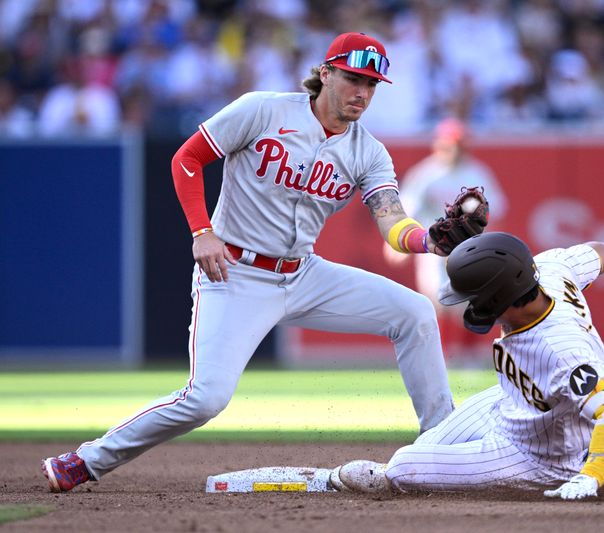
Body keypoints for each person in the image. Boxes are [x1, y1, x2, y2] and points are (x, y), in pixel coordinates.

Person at [41, 32, 456, 493]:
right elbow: (187, 159)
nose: (362, 92)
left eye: (372, 84)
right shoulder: (264, 109)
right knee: (205, 400)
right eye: (353, 78)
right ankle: (85, 460)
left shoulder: (368, 151)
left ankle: (441, 448)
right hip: (233, 273)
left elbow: (391, 219)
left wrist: (428, 240)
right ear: (325, 74)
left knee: (415, 312)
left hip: (303, 272)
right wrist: (202, 232)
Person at [329, 232, 604, 500]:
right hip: (511, 402)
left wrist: (591, 475)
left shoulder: (562, 351)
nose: (468, 303)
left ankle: (570, 467)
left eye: (473, 296)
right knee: (428, 443)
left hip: (541, 454)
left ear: (498, 297)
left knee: (401, 468)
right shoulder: (549, 271)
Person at [387, 118, 507, 357]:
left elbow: (496, 212)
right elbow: (406, 212)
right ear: (439, 145)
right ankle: (439, 356)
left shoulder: (477, 173)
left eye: (459, 144)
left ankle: (469, 358)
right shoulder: (427, 175)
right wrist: (394, 245)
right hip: (435, 247)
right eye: (451, 144)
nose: (455, 150)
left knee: (471, 301)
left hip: (470, 246)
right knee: (435, 300)